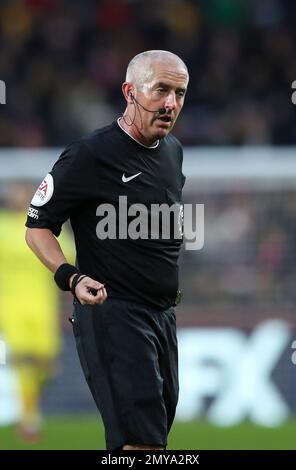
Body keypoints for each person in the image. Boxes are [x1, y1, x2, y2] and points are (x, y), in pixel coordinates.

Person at [25, 50, 189, 450]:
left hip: (162, 316)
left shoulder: (172, 151)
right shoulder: (89, 154)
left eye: (180, 93)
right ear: (130, 92)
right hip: (114, 313)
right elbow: (37, 227)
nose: (171, 104)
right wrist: (71, 276)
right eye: (161, 90)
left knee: (151, 440)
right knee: (140, 445)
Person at [0, 182, 73, 442]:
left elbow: (69, 256)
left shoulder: (46, 228)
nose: (18, 198)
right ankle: (29, 418)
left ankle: (29, 405)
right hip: (11, 305)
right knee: (24, 360)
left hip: (43, 305)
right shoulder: (2, 226)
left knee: (47, 363)